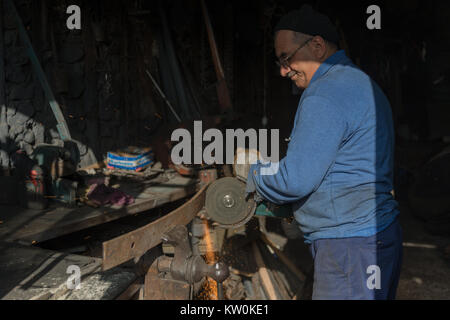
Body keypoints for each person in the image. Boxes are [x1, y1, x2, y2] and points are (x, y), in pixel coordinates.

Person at [246, 5, 403, 300]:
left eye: (287, 58)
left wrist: (253, 173)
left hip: (348, 248)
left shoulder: (325, 93)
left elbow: (295, 180)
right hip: (377, 237)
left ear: (316, 46)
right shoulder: (361, 82)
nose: (282, 71)